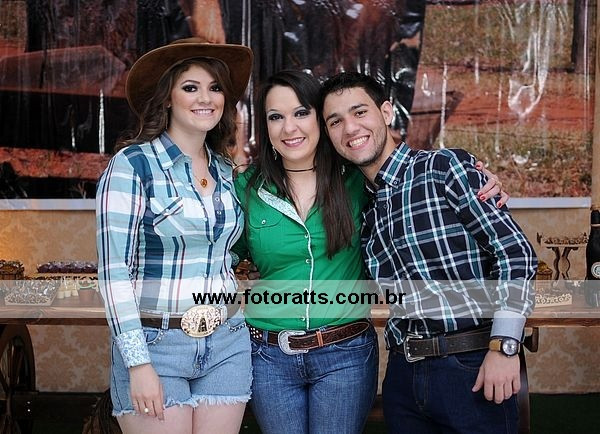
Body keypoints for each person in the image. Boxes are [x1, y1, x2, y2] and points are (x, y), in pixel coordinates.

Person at [232, 70, 508, 434]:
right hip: (268, 354)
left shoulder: (358, 180)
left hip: (344, 351)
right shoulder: (245, 188)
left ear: (319, 121)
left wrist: (480, 180)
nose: (289, 127)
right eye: (275, 117)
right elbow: (221, 249)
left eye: (301, 113)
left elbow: (413, 183)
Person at [320, 71, 537, 434]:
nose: (350, 128)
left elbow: (515, 254)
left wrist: (504, 346)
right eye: (335, 121)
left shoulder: (444, 168)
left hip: (471, 364)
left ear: (386, 112)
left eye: (359, 112)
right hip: (403, 374)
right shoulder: (359, 203)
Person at [96, 38, 254, 434]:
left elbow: (222, 253)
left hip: (228, 341)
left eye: (215, 88)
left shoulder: (224, 170)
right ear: (167, 97)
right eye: (190, 87)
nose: (206, 98)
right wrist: (138, 363)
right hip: (156, 343)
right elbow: (114, 274)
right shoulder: (132, 165)